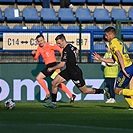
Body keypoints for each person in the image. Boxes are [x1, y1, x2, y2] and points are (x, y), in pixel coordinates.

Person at [44, 34, 108, 109]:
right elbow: (76, 49)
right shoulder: (70, 46)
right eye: (57, 43)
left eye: (59, 43)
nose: (58, 45)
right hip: (68, 71)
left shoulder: (66, 50)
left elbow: (62, 65)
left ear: (63, 40)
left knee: (85, 91)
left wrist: (51, 68)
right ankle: (53, 103)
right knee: (54, 83)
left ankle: (103, 91)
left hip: (75, 73)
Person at [93, 26, 133, 110]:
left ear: (111, 35)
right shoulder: (118, 41)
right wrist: (100, 59)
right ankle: (132, 106)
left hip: (125, 68)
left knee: (117, 91)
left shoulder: (112, 43)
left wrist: (123, 69)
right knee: (121, 89)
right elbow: (113, 60)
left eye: (106, 35)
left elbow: (119, 55)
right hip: (129, 66)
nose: (105, 37)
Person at [31, 34, 76, 103]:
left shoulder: (49, 45)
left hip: (53, 66)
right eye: (39, 41)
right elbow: (36, 58)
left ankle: (49, 94)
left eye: (41, 40)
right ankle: (71, 95)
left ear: (44, 39)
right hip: (48, 66)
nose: (40, 42)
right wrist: (33, 54)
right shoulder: (39, 48)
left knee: (53, 81)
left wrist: (63, 58)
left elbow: (60, 49)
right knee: (55, 82)